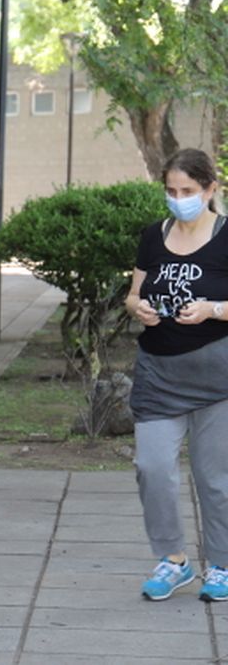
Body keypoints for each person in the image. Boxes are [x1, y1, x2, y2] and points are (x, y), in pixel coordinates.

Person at [126, 147, 228, 603]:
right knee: (152, 468)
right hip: (158, 375)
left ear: (211, 189)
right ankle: (173, 560)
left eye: (188, 190)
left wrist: (213, 309)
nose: (178, 198)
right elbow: (132, 294)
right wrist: (140, 308)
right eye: (170, 190)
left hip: (218, 381)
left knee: (214, 479)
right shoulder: (153, 235)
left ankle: (222, 566)